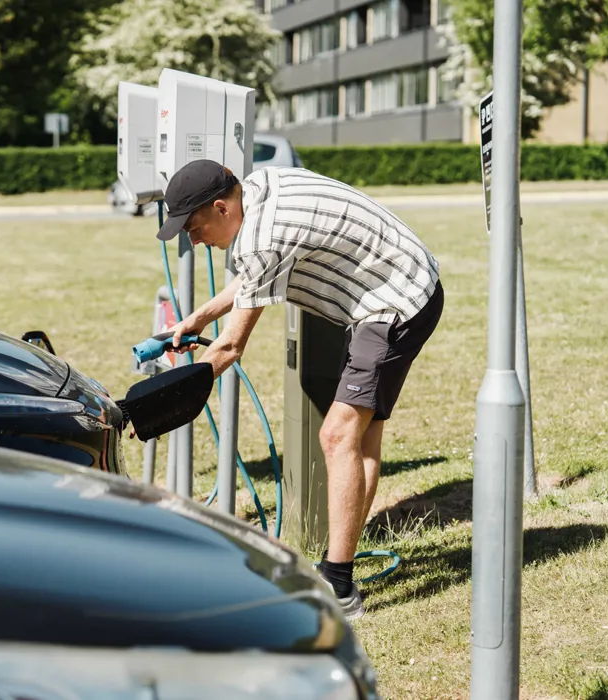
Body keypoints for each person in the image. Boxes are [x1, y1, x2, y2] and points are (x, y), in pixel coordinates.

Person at [156, 159, 444, 620]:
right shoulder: (260, 186)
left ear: (221, 207)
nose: (193, 239)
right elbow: (255, 277)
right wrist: (200, 317)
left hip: (396, 303)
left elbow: (230, 348)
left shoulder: (261, 239)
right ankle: (341, 564)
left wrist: (165, 402)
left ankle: (340, 587)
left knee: (336, 436)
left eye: (192, 226)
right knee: (361, 438)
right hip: (402, 282)